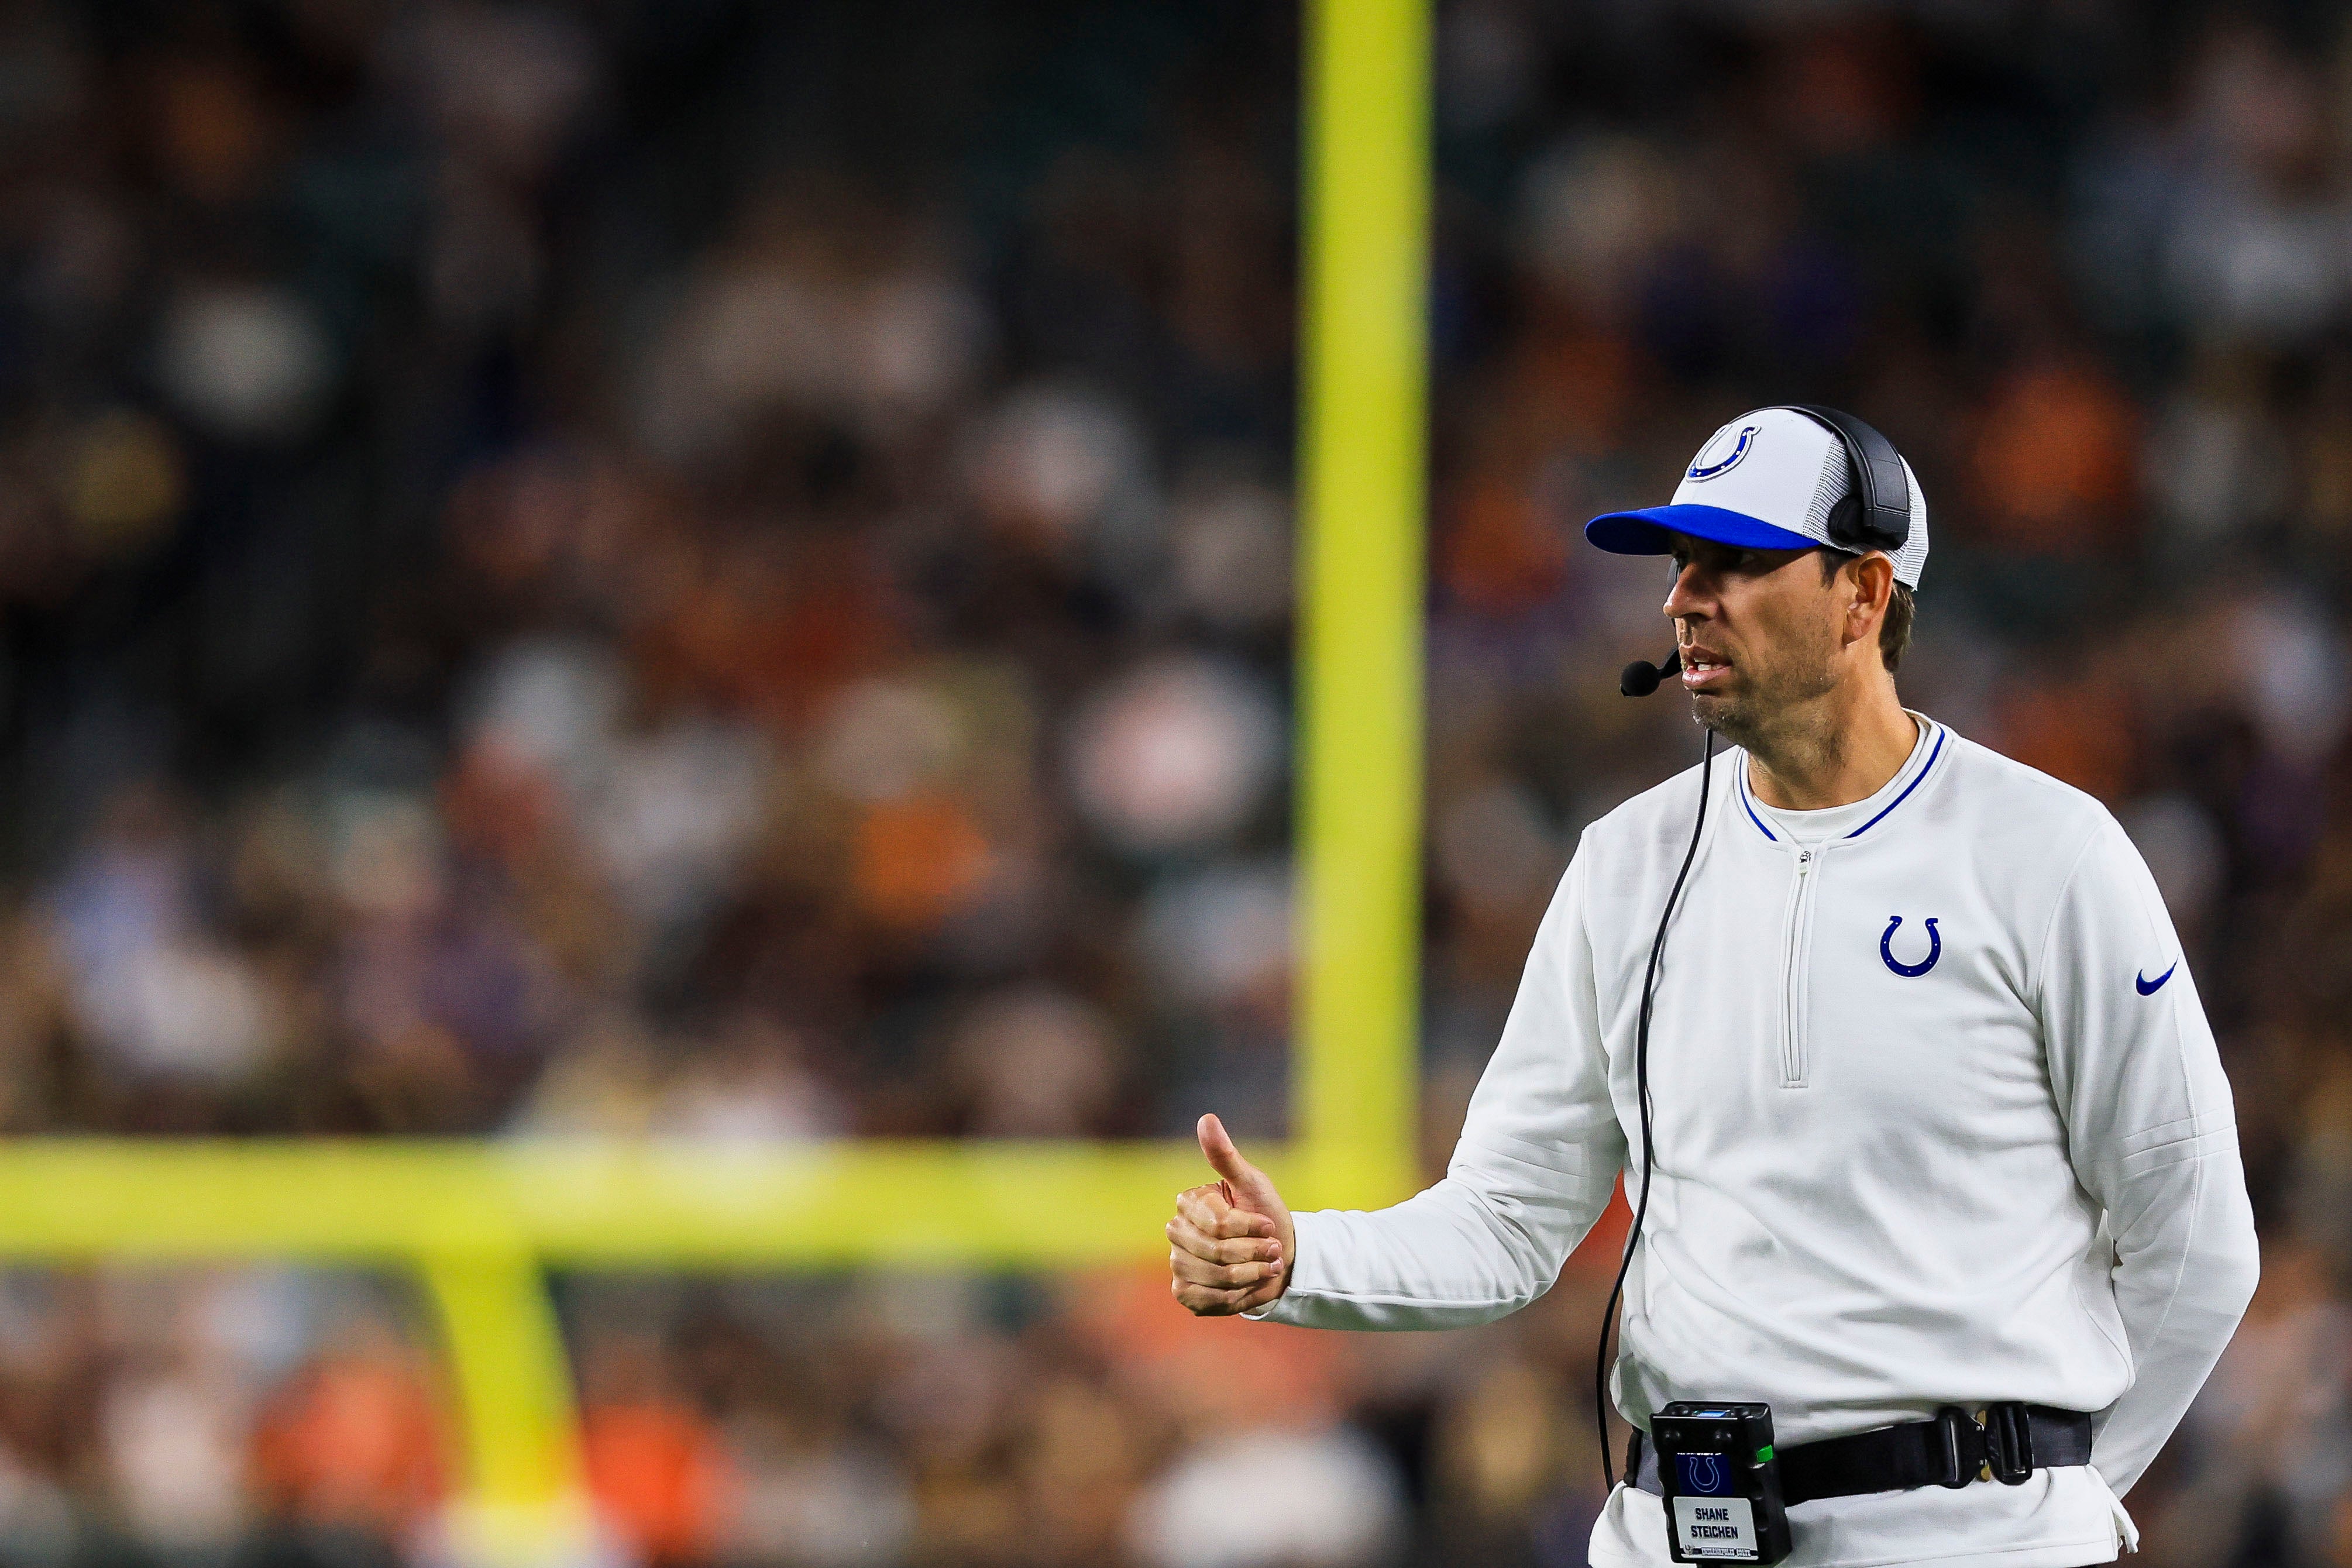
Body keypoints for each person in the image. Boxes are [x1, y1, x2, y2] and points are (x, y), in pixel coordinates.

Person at [1163, 407, 2261, 1568]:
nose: (1684, 598)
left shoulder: (2049, 854)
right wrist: (1300, 1258)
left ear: (1864, 592)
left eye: (1737, 561)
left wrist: (2059, 1492)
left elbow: (2195, 1241)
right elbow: (1509, 1218)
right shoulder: (1626, 862)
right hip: (1680, 1532)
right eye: (1681, 563)